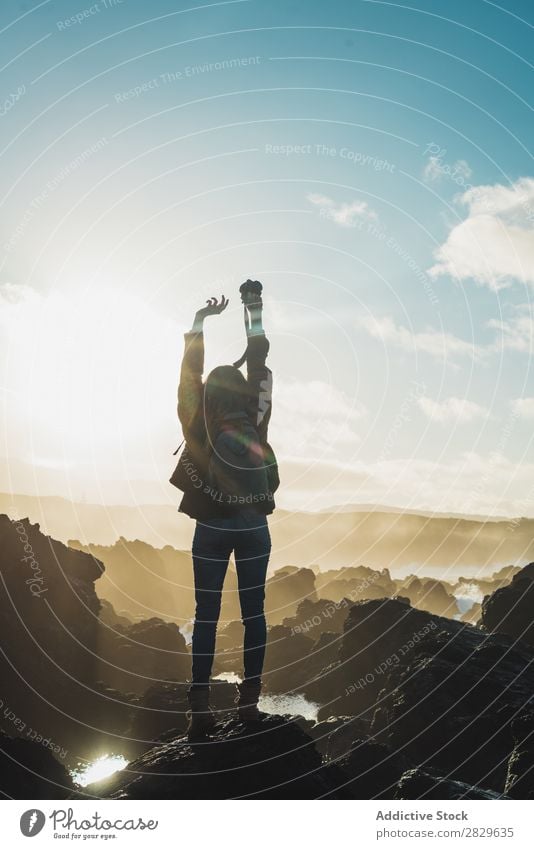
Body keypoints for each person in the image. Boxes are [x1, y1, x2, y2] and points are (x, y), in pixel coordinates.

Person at [176, 282, 276, 738]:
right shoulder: (256, 410)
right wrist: (252, 307)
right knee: (253, 613)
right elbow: (258, 355)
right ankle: (249, 704)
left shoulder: (197, 417)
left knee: (207, 615)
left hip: (211, 526)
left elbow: (188, 375)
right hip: (253, 524)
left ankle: (199, 708)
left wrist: (198, 322)